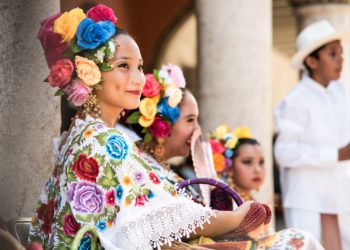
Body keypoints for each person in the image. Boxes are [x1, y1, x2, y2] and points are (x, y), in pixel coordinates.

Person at [28, 5, 270, 250]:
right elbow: (164, 215)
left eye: (140, 67)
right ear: (90, 73)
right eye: (124, 66)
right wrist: (236, 217)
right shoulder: (104, 140)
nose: (138, 78)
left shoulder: (80, 134)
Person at [123, 66, 323, 249]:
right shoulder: (141, 167)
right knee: (298, 241)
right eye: (191, 120)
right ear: (163, 124)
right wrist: (236, 218)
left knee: (299, 239)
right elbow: (170, 224)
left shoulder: (162, 170)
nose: (197, 130)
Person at [274, 19, 350, 250]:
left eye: (341, 53)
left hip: (340, 194)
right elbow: (284, 153)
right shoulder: (295, 100)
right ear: (312, 61)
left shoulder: (340, 91)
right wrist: (335, 154)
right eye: (333, 54)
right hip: (306, 198)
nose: (341, 59)